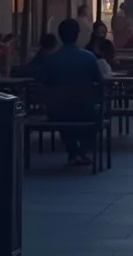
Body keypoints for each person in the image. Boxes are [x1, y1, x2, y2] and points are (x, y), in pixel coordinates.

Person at [31, 18, 103, 166]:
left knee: (63, 105)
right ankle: (82, 151)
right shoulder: (88, 58)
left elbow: (40, 81)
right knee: (99, 113)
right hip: (85, 110)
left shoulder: (50, 60)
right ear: (77, 35)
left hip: (57, 112)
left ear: (60, 35)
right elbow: (100, 82)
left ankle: (73, 151)